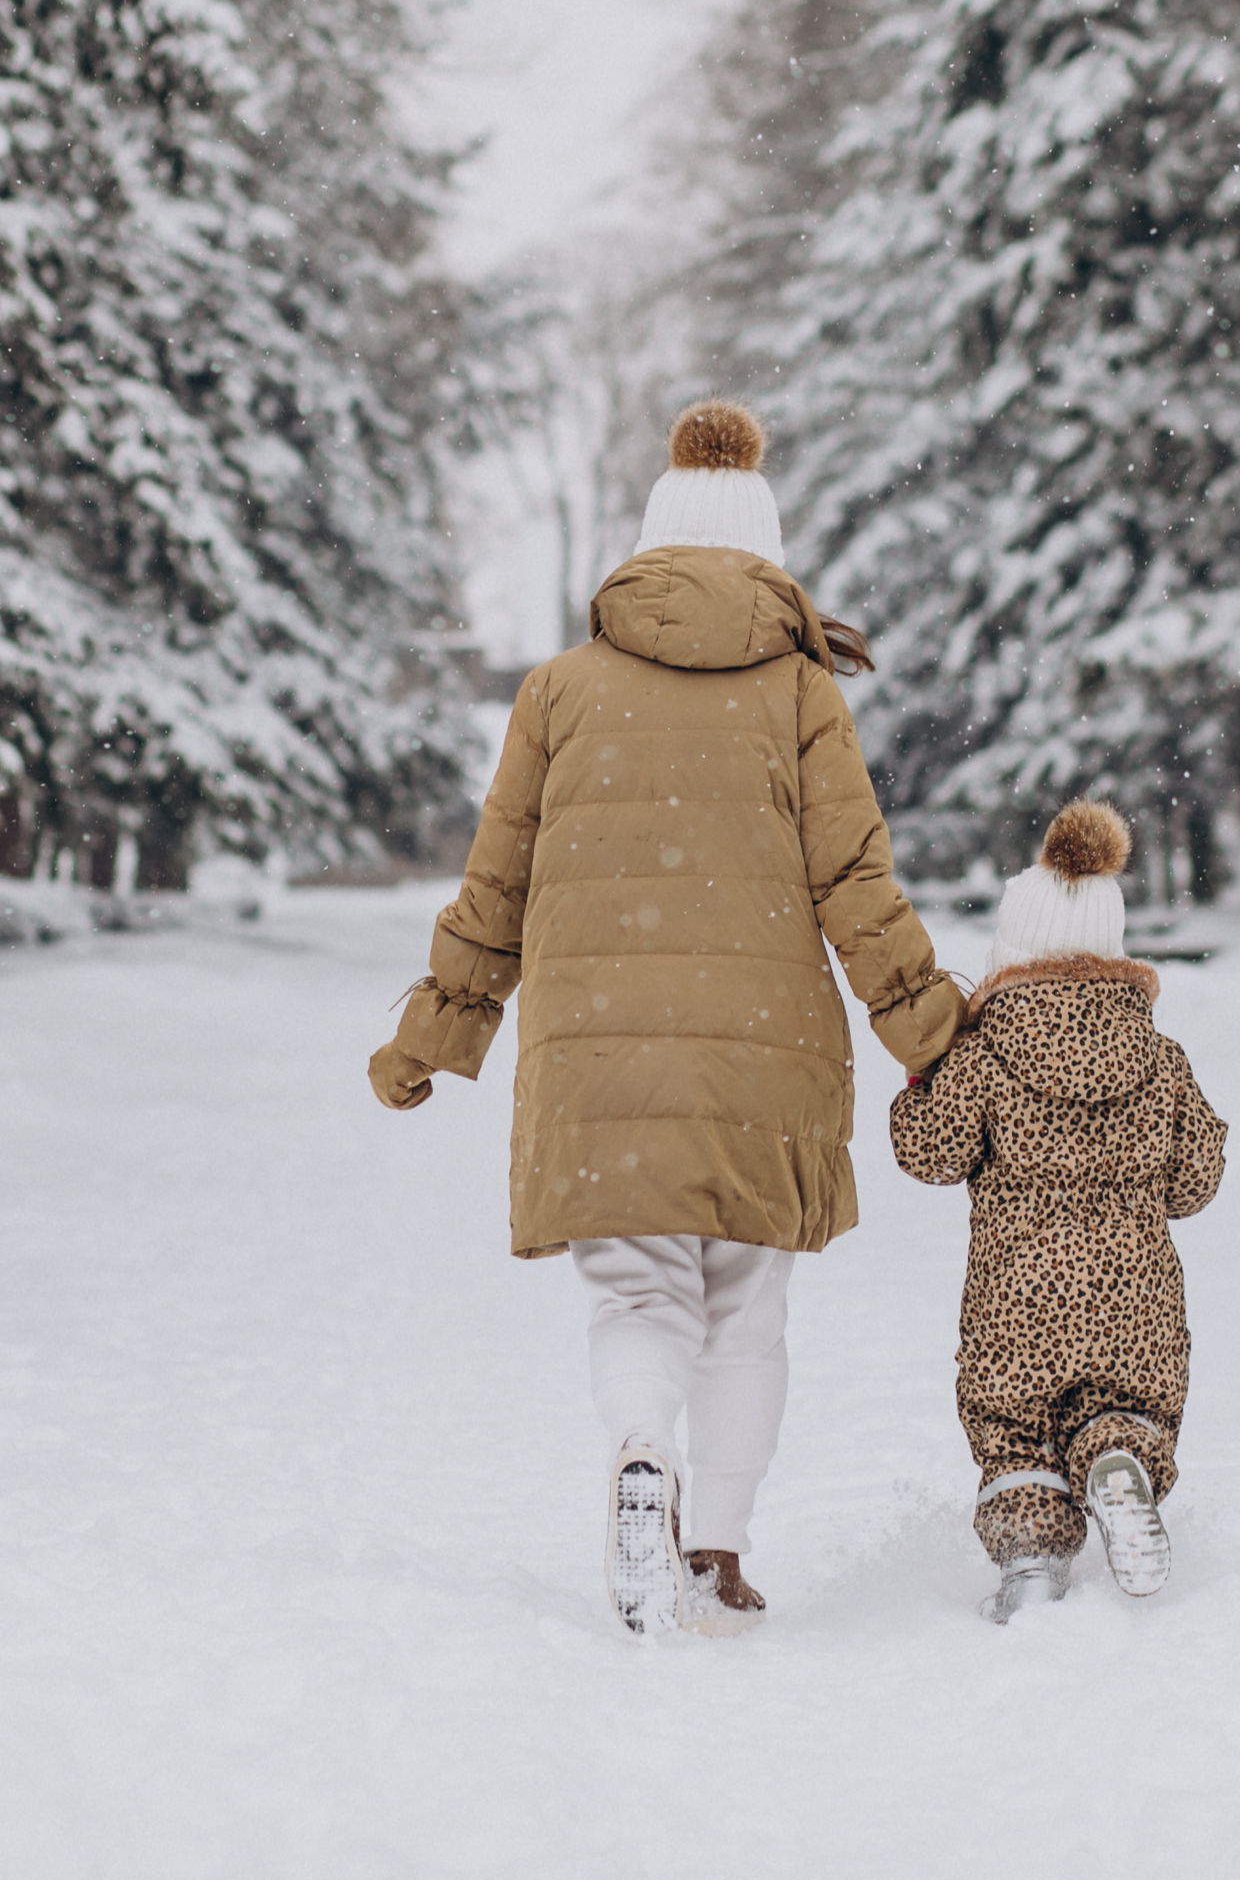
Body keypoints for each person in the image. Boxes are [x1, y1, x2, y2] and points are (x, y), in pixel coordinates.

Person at [368, 399, 962, 1636]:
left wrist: (430, 1033)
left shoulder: (558, 692)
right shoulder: (801, 695)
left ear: (645, 550)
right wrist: (939, 1036)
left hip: (598, 1064)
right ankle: (716, 1552)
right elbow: (858, 888)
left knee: (638, 1301)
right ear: (768, 555)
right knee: (746, 1310)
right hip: (765, 1068)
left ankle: (642, 1450)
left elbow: (498, 888)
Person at [887, 801, 1227, 1622]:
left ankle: (1033, 1562)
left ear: (1011, 949)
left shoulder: (984, 1053)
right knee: (1125, 1408)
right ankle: (1117, 1458)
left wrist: (918, 1086)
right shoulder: (1158, 1056)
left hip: (1016, 1301)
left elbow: (929, 1154)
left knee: (1015, 1432)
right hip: (1137, 1300)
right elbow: (1195, 1180)